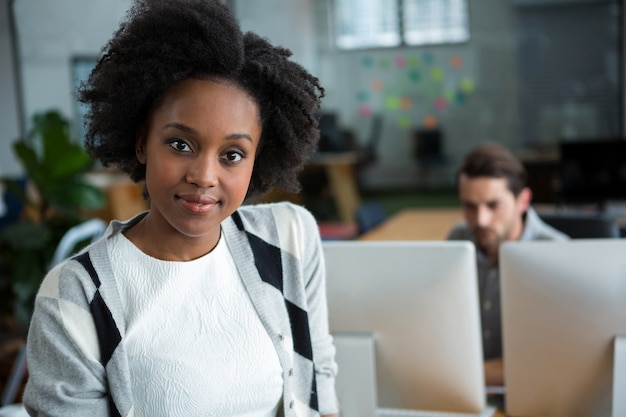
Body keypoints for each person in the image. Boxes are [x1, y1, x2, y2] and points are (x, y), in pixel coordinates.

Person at [23, 1, 339, 416]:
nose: (204, 176)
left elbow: (319, 381)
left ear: (258, 159)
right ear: (141, 142)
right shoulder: (76, 296)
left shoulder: (289, 238)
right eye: (180, 144)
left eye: (232, 154)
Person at [447, 142, 569, 388]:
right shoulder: (457, 240)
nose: (481, 220)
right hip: (462, 388)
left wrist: (458, 375)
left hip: (531, 391)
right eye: (469, 206)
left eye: (493, 206)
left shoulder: (559, 255)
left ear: (523, 201)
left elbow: (556, 360)